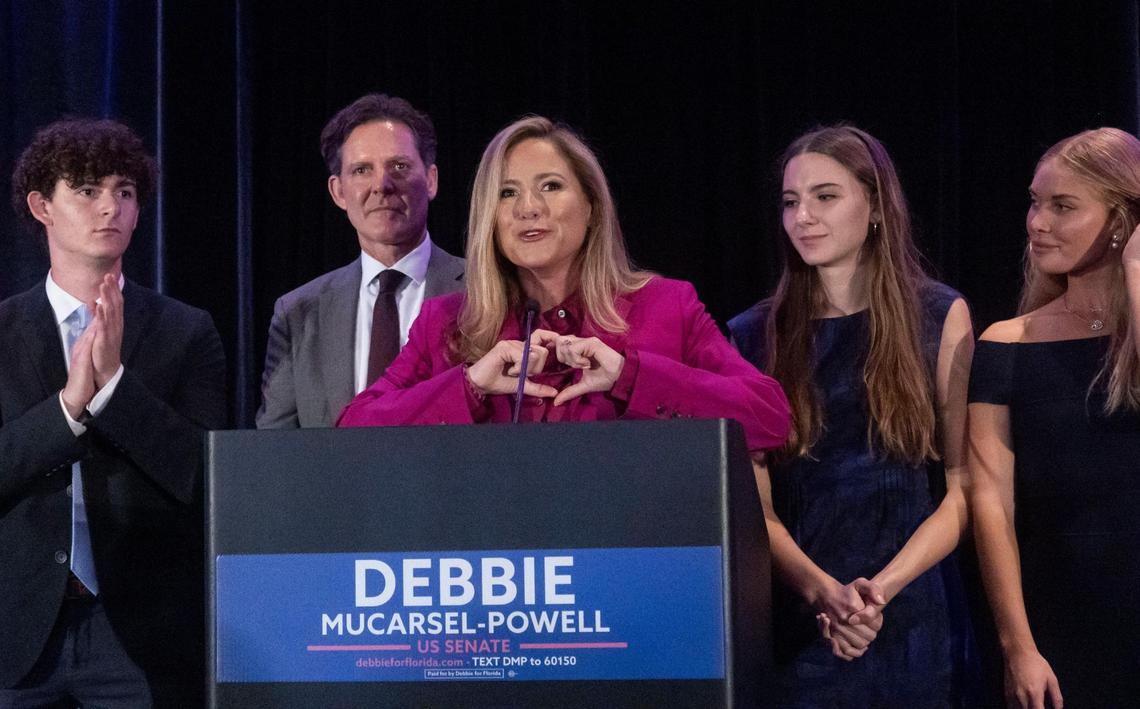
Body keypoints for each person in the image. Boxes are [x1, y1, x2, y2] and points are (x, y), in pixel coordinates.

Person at [338, 115, 790, 455]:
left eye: (551, 186)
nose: (528, 208)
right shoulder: (448, 324)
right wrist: (470, 385)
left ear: (592, 207)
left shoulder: (666, 306)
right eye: (507, 193)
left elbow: (769, 417)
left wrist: (629, 377)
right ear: (489, 219)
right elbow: (352, 435)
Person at [728, 125, 975, 706]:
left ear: (876, 207)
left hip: (908, 611)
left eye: (825, 196)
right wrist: (825, 596)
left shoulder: (938, 316)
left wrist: (877, 594)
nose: (803, 217)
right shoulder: (750, 336)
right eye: (791, 202)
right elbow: (750, 507)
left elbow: (965, 487)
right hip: (796, 615)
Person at [0, 119, 226, 706]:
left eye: (124, 191)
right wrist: (70, 408)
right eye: (87, 190)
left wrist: (115, 390)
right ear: (41, 206)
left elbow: (204, 477)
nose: (111, 207)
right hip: (17, 631)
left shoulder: (186, 331)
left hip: (139, 633)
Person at [969, 127, 1140, 708]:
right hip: (1059, 623)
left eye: (1062, 206)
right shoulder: (1006, 344)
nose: (1036, 222)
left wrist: (1137, 274)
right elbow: (990, 501)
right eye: (1035, 202)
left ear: (1121, 220)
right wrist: (1018, 646)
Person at [257, 93, 465, 428]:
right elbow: (276, 447)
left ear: (431, 180)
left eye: (399, 166)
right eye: (362, 170)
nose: (381, 185)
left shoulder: (486, 291)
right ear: (338, 191)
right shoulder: (297, 312)